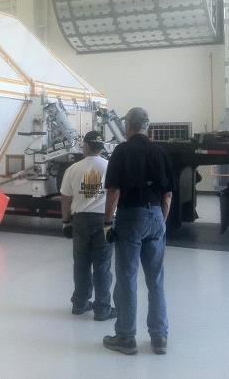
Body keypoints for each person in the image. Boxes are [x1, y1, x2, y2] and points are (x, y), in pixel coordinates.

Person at [102, 107, 174, 355]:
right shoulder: (160, 152)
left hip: (130, 217)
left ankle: (125, 337)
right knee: (156, 280)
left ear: (128, 126)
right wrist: (161, 222)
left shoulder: (122, 151)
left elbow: (114, 191)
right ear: (147, 126)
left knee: (127, 278)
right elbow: (168, 194)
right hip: (156, 215)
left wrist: (107, 223)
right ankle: (159, 337)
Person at [58, 131, 116, 321]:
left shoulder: (73, 169)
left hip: (80, 220)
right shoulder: (109, 167)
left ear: (85, 146)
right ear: (101, 147)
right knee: (102, 265)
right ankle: (102, 309)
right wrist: (111, 221)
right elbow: (115, 193)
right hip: (104, 220)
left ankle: (80, 303)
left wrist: (66, 221)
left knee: (81, 263)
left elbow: (65, 197)